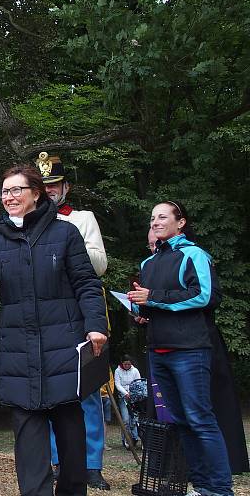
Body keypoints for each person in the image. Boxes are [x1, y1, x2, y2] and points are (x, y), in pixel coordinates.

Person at [0, 163, 107, 496]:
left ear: (37, 193)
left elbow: (87, 284)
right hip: (19, 352)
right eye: (5, 191)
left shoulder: (65, 233)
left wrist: (96, 326)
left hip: (63, 350)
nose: (9, 197)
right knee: (29, 442)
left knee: (71, 437)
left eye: (17, 190)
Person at [129, 201, 234, 496]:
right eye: (152, 218)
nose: (156, 222)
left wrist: (154, 298)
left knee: (200, 418)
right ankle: (201, 486)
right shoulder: (148, 264)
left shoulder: (194, 254)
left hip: (189, 349)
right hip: (158, 350)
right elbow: (152, 303)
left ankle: (220, 489)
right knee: (183, 422)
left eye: (162, 216)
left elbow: (202, 295)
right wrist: (140, 312)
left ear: (181, 222)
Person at [38, 153, 111, 491]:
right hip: (47, 314)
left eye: (54, 184)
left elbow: (99, 264)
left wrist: (66, 240)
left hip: (79, 312)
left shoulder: (81, 218)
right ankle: (57, 460)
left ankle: (91, 463)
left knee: (87, 388)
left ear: (65, 186)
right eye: (44, 185)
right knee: (53, 388)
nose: (50, 191)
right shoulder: (30, 221)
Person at [113, 356, 141, 447]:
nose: (127, 366)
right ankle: (126, 439)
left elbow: (138, 382)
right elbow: (117, 384)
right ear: (122, 363)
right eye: (125, 364)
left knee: (134, 419)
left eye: (129, 364)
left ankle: (135, 437)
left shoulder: (135, 370)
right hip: (123, 397)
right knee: (125, 419)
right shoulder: (118, 371)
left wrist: (133, 393)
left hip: (133, 397)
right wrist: (125, 393)